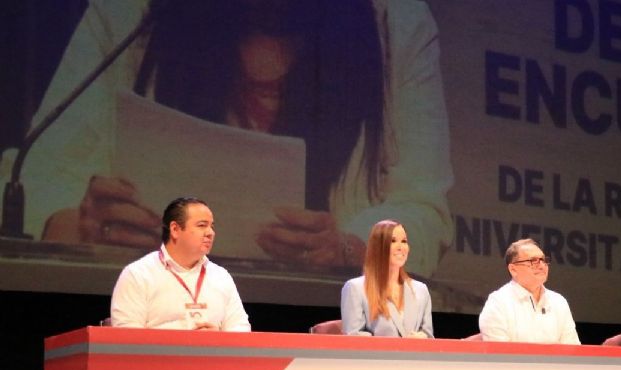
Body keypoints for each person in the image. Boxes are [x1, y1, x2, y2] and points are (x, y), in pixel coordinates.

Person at [3, 0, 453, 276]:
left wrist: (347, 249)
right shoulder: (136, 12)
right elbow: (30, 176)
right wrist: (80, 228)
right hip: (151, 316)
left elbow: (425, 211)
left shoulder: (394, 21)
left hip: (324, 323)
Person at [110, 197, 251, 330]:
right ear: (175, 230)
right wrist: (185, 343)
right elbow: (127, 337)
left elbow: (241, 329)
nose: (210, 233)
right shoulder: (138, 274)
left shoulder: (221, 276)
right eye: (202, 225)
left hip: (213, 355)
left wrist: (218, 340)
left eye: (211, 226)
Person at [340, 219, 432, 337]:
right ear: (378, 247)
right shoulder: (355, 288)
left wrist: (422, 337)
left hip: (415, 355)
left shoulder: (421, 290)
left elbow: (428, 335)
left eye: (404, 241)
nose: (401, 247)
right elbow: (353, 337)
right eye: (393, 241)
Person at [478, 239, 580, 344]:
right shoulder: (498, 302)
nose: (541, 266)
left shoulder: (559, 301)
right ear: (513, 269)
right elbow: (499, 354)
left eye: (543, 260)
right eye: (533, 261)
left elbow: (572, 350)